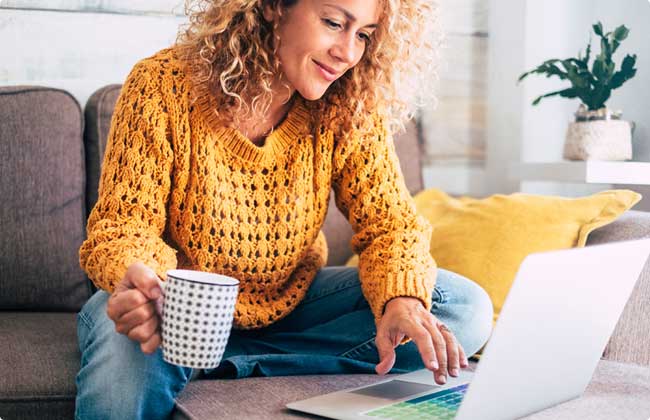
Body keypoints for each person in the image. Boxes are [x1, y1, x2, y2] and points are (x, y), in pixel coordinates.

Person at [74, 0, 494, 418]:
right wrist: (152, 290)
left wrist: (401, 301)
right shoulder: (162, 86)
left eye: (363, 34)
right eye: (333, 23)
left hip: (290, 306)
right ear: (274, 7)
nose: (347, 52)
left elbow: (391, 225)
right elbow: (123, 228)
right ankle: (190, 354)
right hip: (178, 309)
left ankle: (217, 361)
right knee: (126, 339)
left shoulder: (347, 103)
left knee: (462, 307)